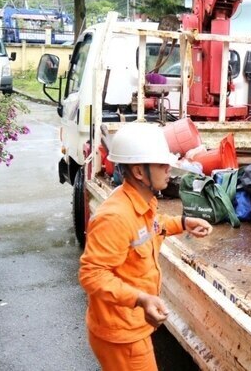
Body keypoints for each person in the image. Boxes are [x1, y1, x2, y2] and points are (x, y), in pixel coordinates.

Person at [78, 122, 212, 371]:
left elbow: (151, 228)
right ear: (139, 172)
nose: (168, 169)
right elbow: (92, 275)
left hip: (130, 327)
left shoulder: (141, 202)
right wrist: (140, 299)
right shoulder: (115, 216)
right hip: (121, 336)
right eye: (161, 164)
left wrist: (183, 223)